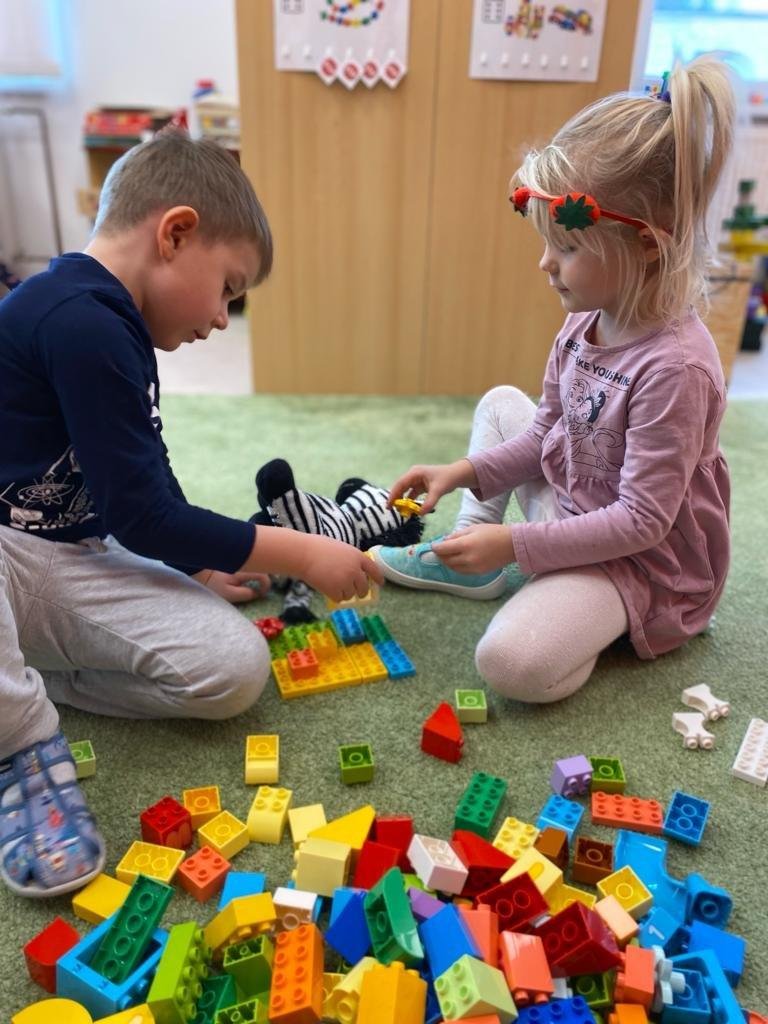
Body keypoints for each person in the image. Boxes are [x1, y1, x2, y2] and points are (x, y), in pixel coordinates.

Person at [0, 131, 382, 898]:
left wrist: (200, 566)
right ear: (175, 234)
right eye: (229, 289)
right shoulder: (76, 318)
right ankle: (21, 740)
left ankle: (41, 678)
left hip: (69, 557)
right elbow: (144, 516)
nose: (222, 319)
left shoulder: (121, 328)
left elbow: (148, 490)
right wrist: (302, 552)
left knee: (233, 670)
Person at [371, 57, 735, 706]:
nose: (545, 263)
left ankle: (536, 578)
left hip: (637, 562)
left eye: (566, 248)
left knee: (511, 662)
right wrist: (463, 472)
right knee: (502, 404)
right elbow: (544, 435)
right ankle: (476, 552)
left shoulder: (676, 368)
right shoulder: (585, 321)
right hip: (575, 503)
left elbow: (642, 521)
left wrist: (517, 544)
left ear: (648, 247)